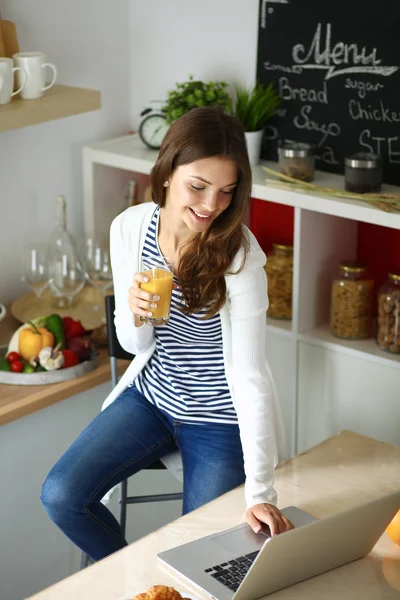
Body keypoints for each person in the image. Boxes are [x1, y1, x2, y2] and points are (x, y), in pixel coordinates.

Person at [41, 106, 294, 562]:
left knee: (201, 554)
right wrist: (135, 316)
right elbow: (137, 347)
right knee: (61, 496)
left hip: (218, 420)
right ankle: (137, 582)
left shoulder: (240, 259)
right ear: (166, 173)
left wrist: (262, 491)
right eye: (197, 187)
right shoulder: (131, 228)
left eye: (226, 192)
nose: (210, 205)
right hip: (152, 398)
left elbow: (251, 377)